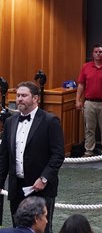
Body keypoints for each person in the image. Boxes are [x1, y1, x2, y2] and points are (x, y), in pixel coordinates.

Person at [0, 82, 65, 233]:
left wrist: (43, 179)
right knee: (19, 229)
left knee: (42, 230)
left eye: (24, 95)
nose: (19, 99)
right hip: (16, 188)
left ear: (35, 98)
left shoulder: (50, 121)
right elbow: (4, 157)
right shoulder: (10, 122)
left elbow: (58, 155)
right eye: (17, 96)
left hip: (41, 188)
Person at [75, 44, 102, 159]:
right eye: (96, 52)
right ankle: (89, 152)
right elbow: (81, 84)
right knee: (89, 129)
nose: (98, 53)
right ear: (92, 54)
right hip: (89, 103)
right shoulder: (86, 67)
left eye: (100, 52)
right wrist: (77, 100)